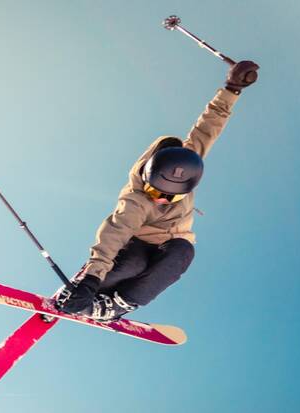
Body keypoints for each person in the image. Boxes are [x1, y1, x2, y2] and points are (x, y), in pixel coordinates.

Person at [56, 60, 260, 322]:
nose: (162, 199)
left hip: (172, 243)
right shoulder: (137, 198)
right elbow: (114, 233)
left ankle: (118, 304)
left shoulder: (189, 160)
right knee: (132, 265)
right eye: (156, 191)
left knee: (183, 253)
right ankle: (86, 291)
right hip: (137, 242)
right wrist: (91, 279)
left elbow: (209, 125)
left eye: (170, 197)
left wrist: (232, 88)